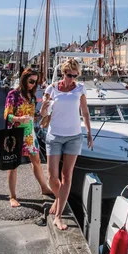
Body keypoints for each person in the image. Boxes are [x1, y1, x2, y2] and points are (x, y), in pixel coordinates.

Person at [40, 57, 93, 231]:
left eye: (75, 75)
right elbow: (43, 112)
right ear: (63, 74)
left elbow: (84, 112)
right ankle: (59, 197)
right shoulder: (52, 88)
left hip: (74, 136)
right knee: (52, 177)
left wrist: (89, 133)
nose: (72, 78)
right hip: (54, 135)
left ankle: (58, 216)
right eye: (69, 75)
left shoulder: (80, 88)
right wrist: (43, 109)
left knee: (67, 176)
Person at [4, 68, 51, 208]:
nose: (32, 85)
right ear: (24, 79)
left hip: (29, 134)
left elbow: (32, 118)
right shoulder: (13, 94)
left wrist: (42, 113)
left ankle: (44, 187)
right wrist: (19, 118)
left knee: (36, 161)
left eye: (35, 82)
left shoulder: (31, 97)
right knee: (13, 166)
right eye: (31, 81)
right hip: (14, 133)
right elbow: (7, 116)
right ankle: (12, 196)